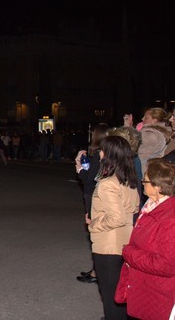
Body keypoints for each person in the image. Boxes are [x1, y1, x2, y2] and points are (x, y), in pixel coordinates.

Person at [87, 135, 140, 320]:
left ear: (108, 155)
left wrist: (94, 223)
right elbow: (133, 209)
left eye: (102, 150)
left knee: (110, 295)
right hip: (125, 241)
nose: (99, 153)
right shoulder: (129, 180)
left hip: (108, 245)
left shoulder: (108, 184)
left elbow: (115, 218)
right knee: (120, 294)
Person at [116, 158, 175, 319]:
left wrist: (129, 253)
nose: (143, 182)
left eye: (146, 180)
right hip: (145, 285)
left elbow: (166, 265)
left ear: (158, 187)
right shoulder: (152, 205)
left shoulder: (170, 219)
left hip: (157, 292)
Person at [74, 123, 109, 284]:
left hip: (94, 194)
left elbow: (89, 178)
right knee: (96, 232)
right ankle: (96, 269)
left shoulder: (100, 155)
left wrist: (79, 167)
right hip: (97, 193)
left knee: (95, 231)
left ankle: (97, 272)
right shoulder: (106, 153)